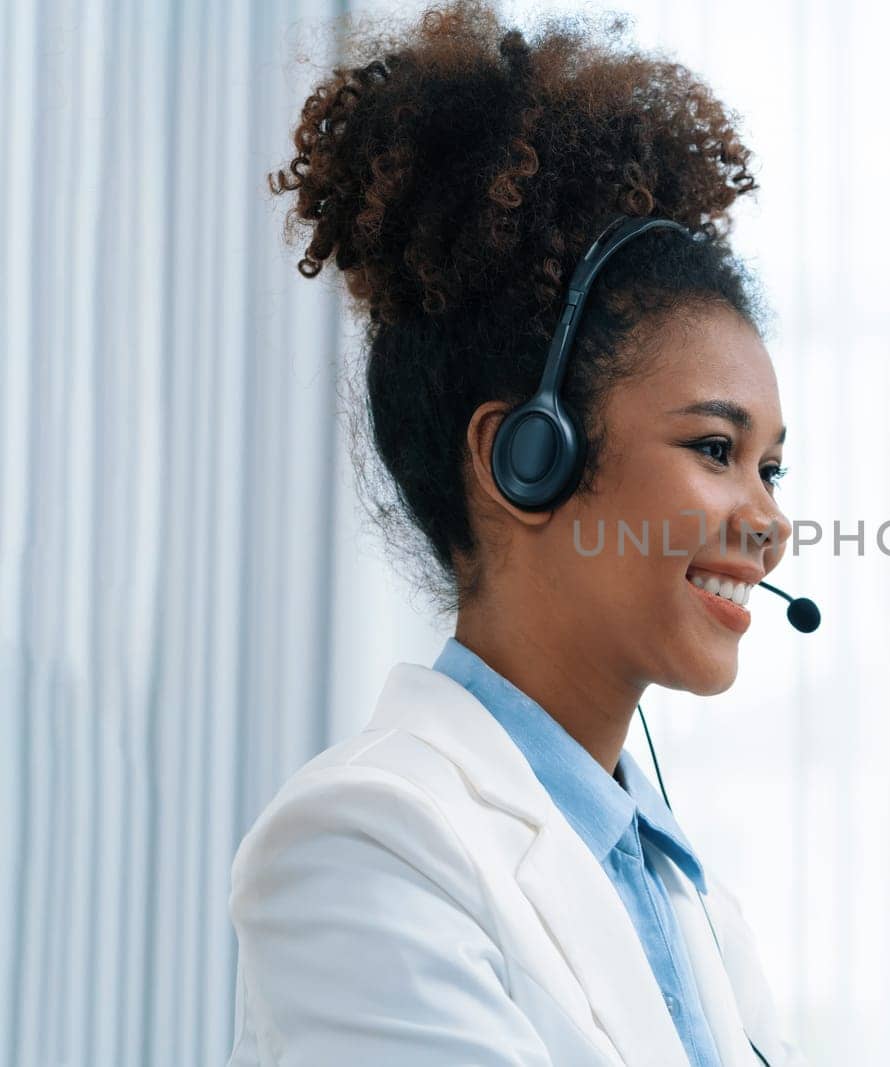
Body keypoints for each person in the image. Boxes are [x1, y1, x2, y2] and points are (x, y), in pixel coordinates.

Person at [226, 3, 806, 1064]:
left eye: (770, 466)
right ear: (520, 460)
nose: (767, 520)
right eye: (715, 450)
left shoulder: (688, 898)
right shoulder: (365, 842)